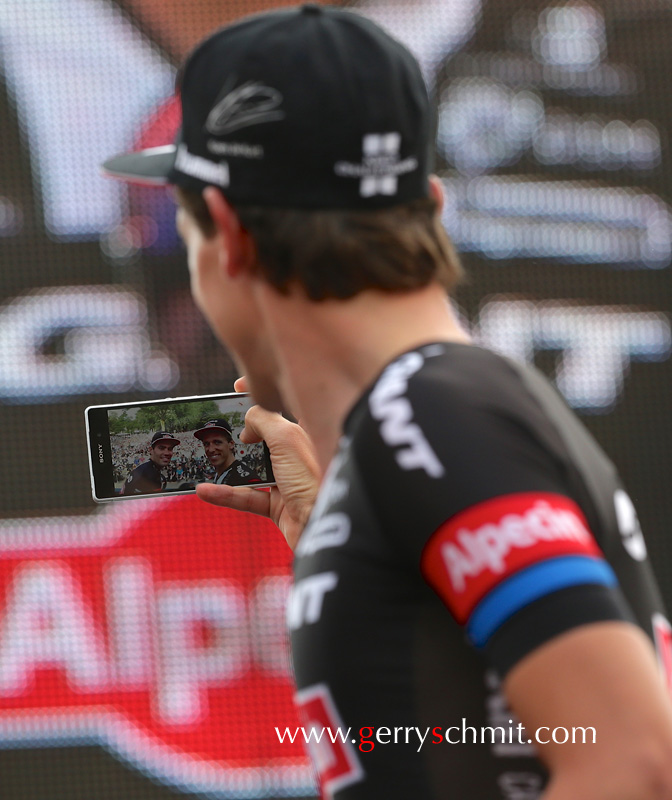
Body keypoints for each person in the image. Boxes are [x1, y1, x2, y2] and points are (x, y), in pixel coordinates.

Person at [102, 6, 672, 799]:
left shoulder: (432, 410)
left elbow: (634, 762)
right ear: (429, 206)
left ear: (226, 235)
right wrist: (346, 536)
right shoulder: (424, 416)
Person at [193, 417, 261, 486]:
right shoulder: (221, 472)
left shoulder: (248, 480)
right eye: (206, 444)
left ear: (231, 444)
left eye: (217, 442)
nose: (211, 449)